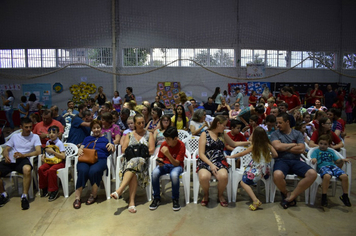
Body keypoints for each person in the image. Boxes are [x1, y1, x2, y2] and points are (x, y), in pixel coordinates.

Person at [197, 115, 247, 207]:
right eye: (224, 125)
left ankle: (220, 195)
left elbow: (234, 143)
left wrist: (248, 142)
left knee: (224, 176)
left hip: (219, 160)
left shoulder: (222, 134)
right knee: (204, 177)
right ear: (218, 124)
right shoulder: (205, 134)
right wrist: (211, 165)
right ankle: (206, 194)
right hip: (206, 161)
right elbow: (201, 154)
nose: (225, 127)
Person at [270, 113, 317, 209]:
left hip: (296, 160)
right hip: (281, 160)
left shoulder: (297, 133)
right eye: (277, 123)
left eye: (280, 122)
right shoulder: (275, 134)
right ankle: (285, 193)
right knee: (277, 175)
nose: (277, 125)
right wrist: (293, 145)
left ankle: (292, 196)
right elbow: (277, 146)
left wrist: (284, 147)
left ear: (287, 122)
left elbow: (301, 149)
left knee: (312, 174)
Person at [110, 114, 155, 213]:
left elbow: (151, 150)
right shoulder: (129, 135)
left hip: (143, 164)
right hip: (129, 163)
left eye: (143, 122)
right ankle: (131, 202)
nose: (141, 125)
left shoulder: (149, 134)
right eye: (139, 123)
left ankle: (120, 190)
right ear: (134, 124)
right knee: (133, 170)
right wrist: (139, 150)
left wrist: (138, 151)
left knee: (137, 161)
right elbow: (123, 149)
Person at [227, 127, 278, 210]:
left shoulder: (255, 146)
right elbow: (276, 155)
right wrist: (268, 157)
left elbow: (242, 154)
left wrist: (231, 156)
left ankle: (255, 200)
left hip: (256, 169)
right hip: (265, 170)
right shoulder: (268, 145)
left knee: (243, 183)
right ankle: (256, 199)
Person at [0, 117, 41, 209]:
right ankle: (3, 194)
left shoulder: (35, 137)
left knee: (27, 169)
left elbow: (38, 151)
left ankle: (24, 196)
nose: (29, 129)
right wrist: (6, 155)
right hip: (11, 159)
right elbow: (6, 149)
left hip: (23, 159)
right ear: (21, 127)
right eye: (26, 127)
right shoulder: (15, 136)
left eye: (30, 127)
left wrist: (24, 155)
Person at [73, 120, 115, 209]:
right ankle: (77, 198)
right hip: (86, 159)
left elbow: (112, 149)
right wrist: (79, 150)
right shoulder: (87, 138)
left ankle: (94, 195)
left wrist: (112, 146)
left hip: (100, 159)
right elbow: (81, 148)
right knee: (82, 170)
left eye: (98, 127)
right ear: (91, 129)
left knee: (94, 171)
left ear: (101, 128)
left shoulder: (106, 138)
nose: (96, 130)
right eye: (94, 128)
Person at [150, 127, 186, 211]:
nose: (166, 141)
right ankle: (156, 198)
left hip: (177, 166)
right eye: (165, 138)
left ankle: (175, 199)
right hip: (165, 165)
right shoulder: (164, 144)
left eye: (168, 139)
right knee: (154, 173)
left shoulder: (181, 145)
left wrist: (168, 154)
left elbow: (176, 163)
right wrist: (160, 161)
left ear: (175, 139)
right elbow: (161, 157)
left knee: (174, 175)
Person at [310, 134, 351, 207]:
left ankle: (345, 196)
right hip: (322, 167)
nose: (322, 146)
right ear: (318, 143)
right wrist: (314, 159)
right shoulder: (316, 151)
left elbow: (337, 160)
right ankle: (324, 196)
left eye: (325, 144)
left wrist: (342, 160)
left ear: (329, 145)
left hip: (332, 166)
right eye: (321, 143)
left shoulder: (331, 151)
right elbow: (313, 158)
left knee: (344, 176)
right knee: (327, 176)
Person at [38, 125, 66, 202]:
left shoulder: (59, 143)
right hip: (50, 161)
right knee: (41, 168)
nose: (51, 134)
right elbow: (46, 151)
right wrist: (43, 155)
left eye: (54, 132)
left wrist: (53, 152)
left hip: (59, 162)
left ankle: (54, 190)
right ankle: (44, 187)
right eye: (49, 133)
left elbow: (63, 156)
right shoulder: (48, 142)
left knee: (51, 170)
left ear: (58, 134)